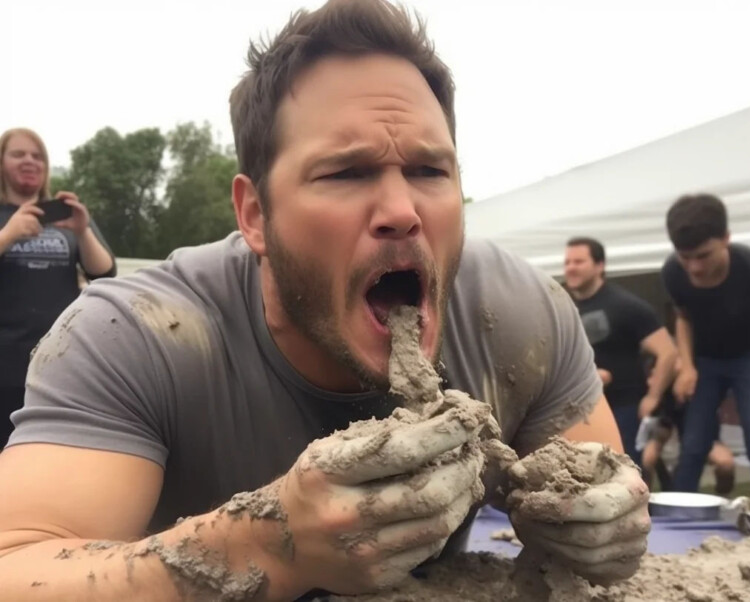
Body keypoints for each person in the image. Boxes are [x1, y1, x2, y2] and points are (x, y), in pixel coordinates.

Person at [0, 2, 649, 600]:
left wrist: (605, 526)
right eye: (346, 172)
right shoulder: (137, 333)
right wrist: (266, 543)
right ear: (255, 214)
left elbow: (603, 506)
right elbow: (16, 569)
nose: (401, 211)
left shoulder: (519, 320)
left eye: (429, 171)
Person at [663, 193, 750, 505]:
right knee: (695, 444)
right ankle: (671, 521)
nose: (694, 268)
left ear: (726, 239)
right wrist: (687, 365)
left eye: (703, 255)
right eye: (686, 257)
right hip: (706, 361)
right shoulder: (673, 272)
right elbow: (683, 319)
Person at [0, 128, 116, 446]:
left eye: (37, 156)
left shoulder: (66, 219)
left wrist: (82, 231)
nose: (29, 161)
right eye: (18, 154)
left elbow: (105, 273)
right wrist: (9, 234)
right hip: (4, 367)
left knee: (47, 454)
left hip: (59, 368)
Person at [564, 237, 677, 467]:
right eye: (567, 262)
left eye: (579, 261)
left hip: (625, 407)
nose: (571, 268)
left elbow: (668, 352)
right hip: (583, 409)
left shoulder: (626, 305)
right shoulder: (564, 306)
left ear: (600, 266)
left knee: (624, 474)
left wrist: (653, 396)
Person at [640, 357, 735, 495]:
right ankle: (646, 502)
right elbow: (659, 425)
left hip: (699, 434)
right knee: (647, 457)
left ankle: (721, 498)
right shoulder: (660, 392)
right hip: (668, 430)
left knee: (725, 463)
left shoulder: (698, 386)